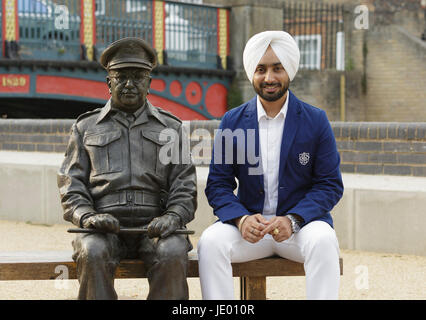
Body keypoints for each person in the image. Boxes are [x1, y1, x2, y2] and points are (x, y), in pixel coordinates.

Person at [197, 31, 344, 300]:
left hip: (300, 229)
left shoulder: (315, 120)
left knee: (324, 241)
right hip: (249, 230)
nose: (269, 78)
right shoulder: (232, 121)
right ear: (251, 74)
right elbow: (218, 184)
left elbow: (329, 185)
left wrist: (294, 219)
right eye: (261, 69)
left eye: (277, 68)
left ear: (289, 70)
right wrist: (241, 219)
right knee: (210, 243)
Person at [57, 37, 197, 300]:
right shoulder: (85, 127)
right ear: (109, 82)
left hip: (156, 225)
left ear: (149, 83)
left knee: (172, 251)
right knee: (93, 251)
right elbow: (70, 183)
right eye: (121, 77)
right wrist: (87, 216)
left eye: (138, 76)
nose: (130, 84)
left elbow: (184, 184)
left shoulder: (172, 128)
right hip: (103, 227)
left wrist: (174, 217)